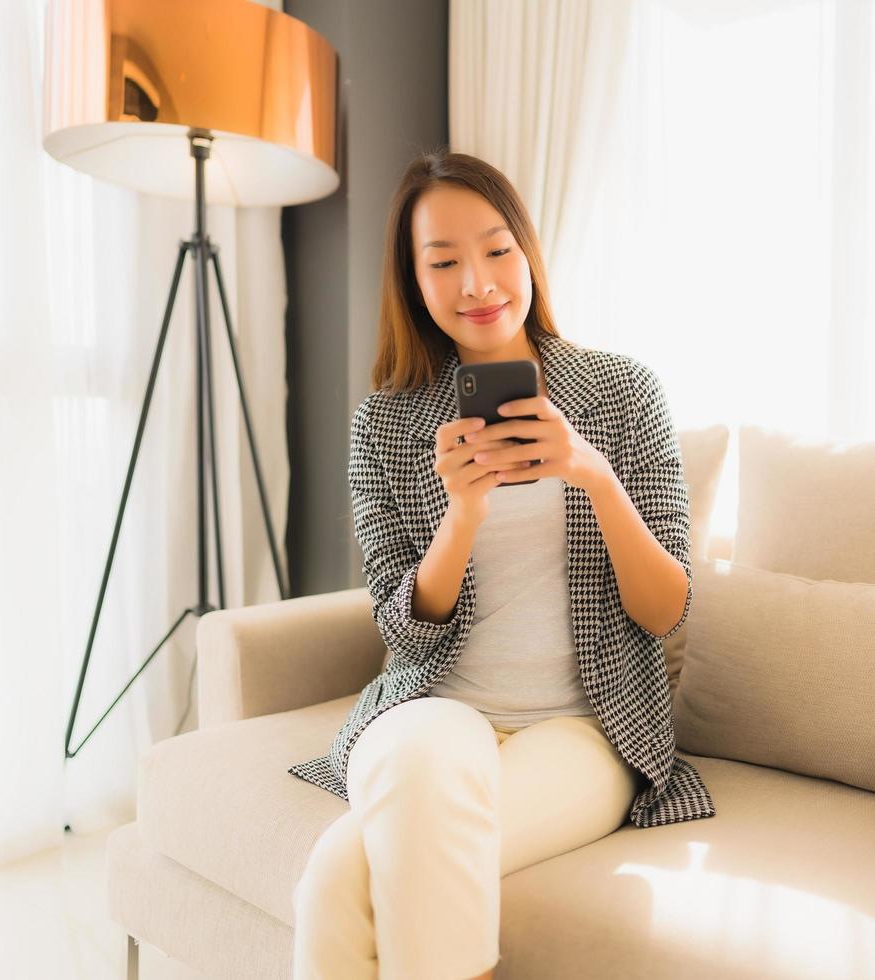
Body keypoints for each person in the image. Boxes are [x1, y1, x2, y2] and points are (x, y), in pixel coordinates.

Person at [287, 148, 716, 980]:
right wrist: (464, 513)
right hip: (434, 707)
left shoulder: (624, 394)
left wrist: (591, 470)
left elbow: (668, 610)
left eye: (495, 250)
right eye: (443, 262)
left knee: (339, 884)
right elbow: (401, 633)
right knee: (416, 772)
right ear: (414, 282)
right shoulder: (385, 423)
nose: (477, 283)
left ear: (528, 254)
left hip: (584, 729)